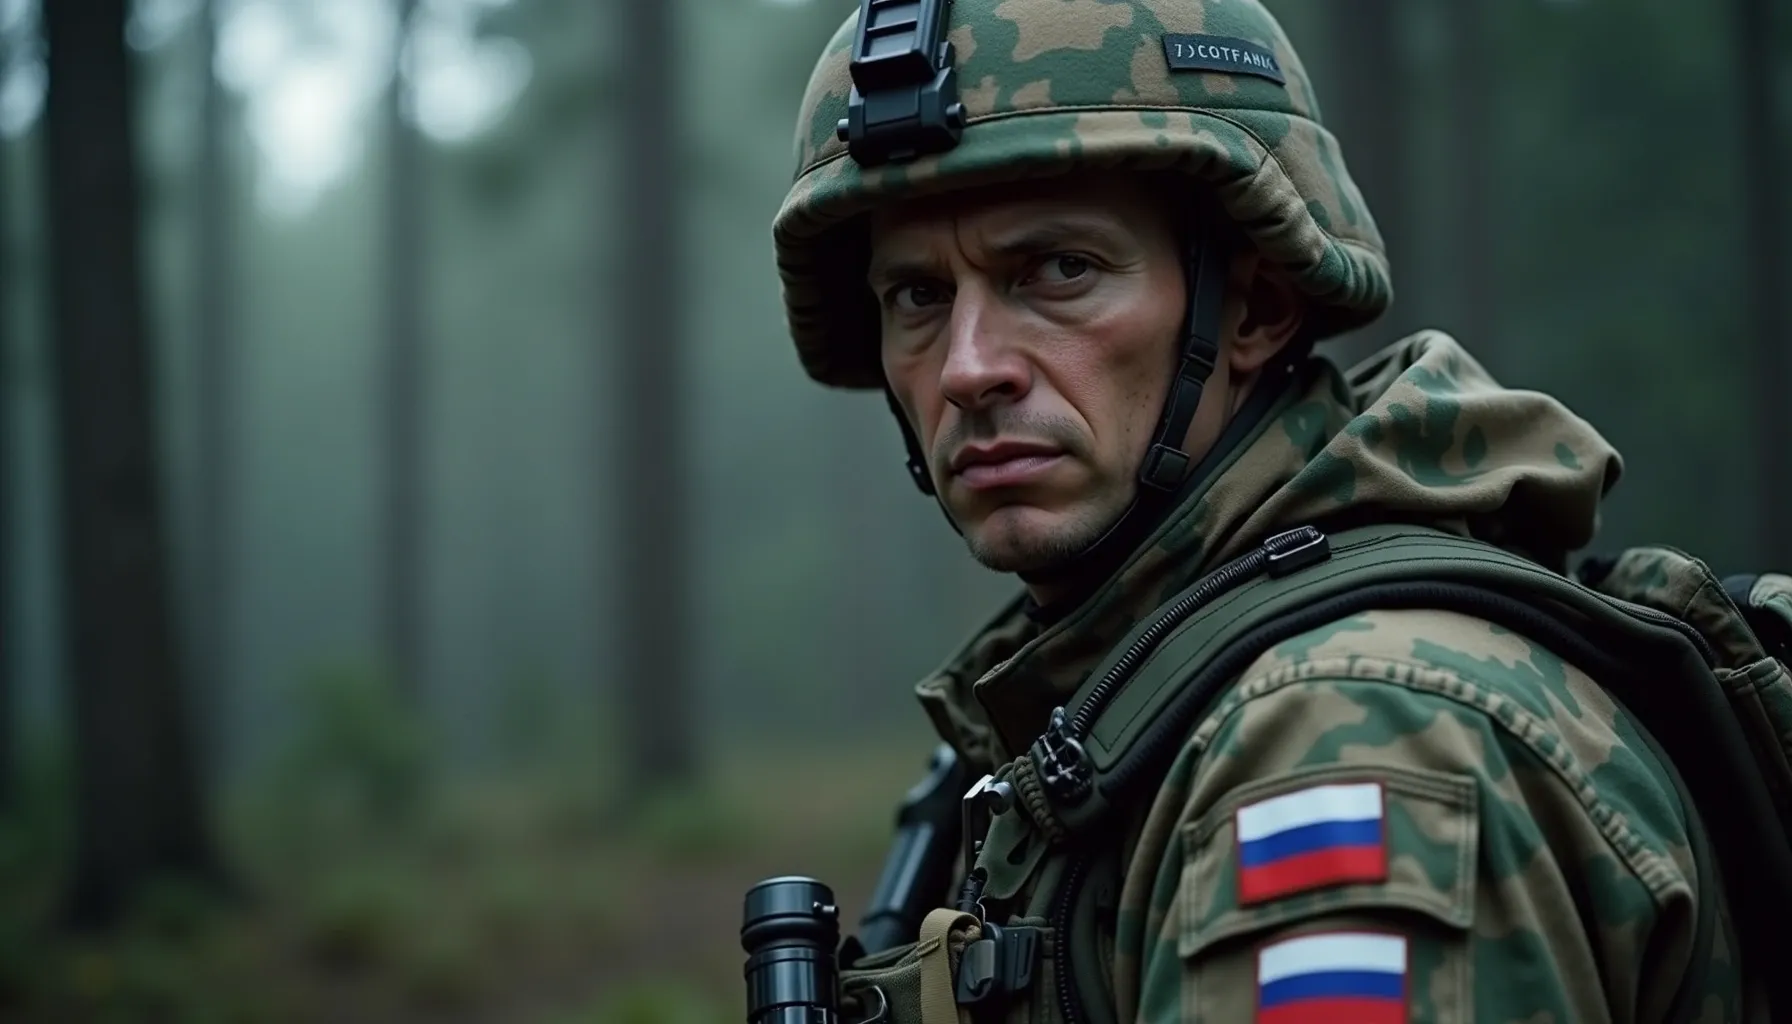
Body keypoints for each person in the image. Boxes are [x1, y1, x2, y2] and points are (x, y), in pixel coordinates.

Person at [769, 1, 1758, 1020]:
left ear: (1256, 308)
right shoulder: (1118, 696)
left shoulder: (1348, 738)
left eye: (1059, 270)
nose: (969, 368)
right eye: (919, 296)